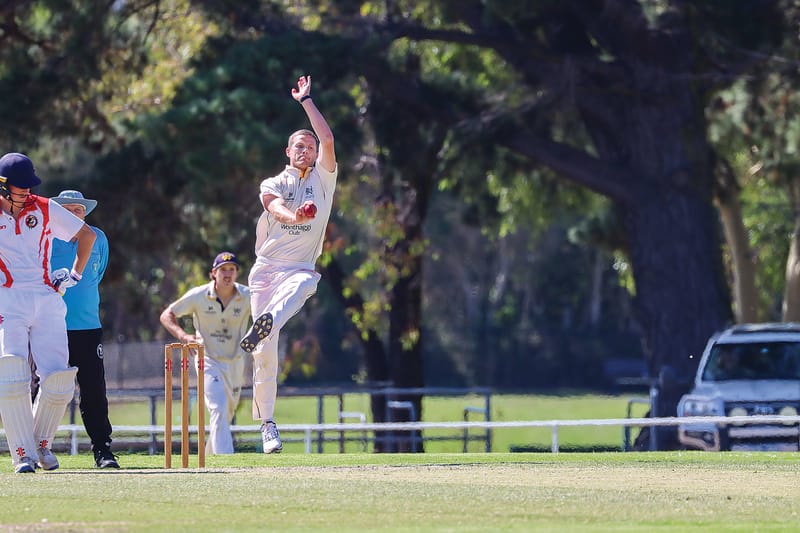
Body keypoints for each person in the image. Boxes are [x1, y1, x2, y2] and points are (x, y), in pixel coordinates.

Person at [238, 74, 337, 454]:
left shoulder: (325, 180)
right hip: (266, 271)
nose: (306, 149)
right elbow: (274, 208)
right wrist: (297, 217)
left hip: (299, 269)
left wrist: (306, 101)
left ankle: (266, 325)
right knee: (264, 355)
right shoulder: (273, 182)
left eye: (310, 146)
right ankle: (267, 425)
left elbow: (328, 139)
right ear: (287, 151)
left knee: (306, 283)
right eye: (299, 144)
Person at [0, 153, 96, 473]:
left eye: (29, 185)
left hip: (46, 296)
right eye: (20, 186)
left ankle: (40, 445)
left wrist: (75, 273)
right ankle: (22, 455)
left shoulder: (42, 207)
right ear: (3, 186)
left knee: (59, 380)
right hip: (7, 300)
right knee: (12, 374)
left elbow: (87, 235)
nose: (27, 191)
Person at [49, 190, 118, 468]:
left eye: (78, 211)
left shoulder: (98, 237)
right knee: (43, 389)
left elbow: (96, 275)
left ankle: (102, 450)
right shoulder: (47, 236)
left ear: (85, 214)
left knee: (93, 391)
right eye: (67, 210)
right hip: (49, 325)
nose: (73, 215)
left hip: (87, 327)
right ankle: (33, 448)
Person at [160, 252, 251, 454]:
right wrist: (184, 336)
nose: (227, 274)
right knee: (218, 409)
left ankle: (211, 456)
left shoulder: (247, 296)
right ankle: (226, 461)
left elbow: (267, 315)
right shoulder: (199, 295)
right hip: (207, 360)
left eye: (232, 269)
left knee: (225, 414)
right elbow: (167, 315)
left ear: (237, 273)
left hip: (236, 362)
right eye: (223, 270)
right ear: (213, 273)